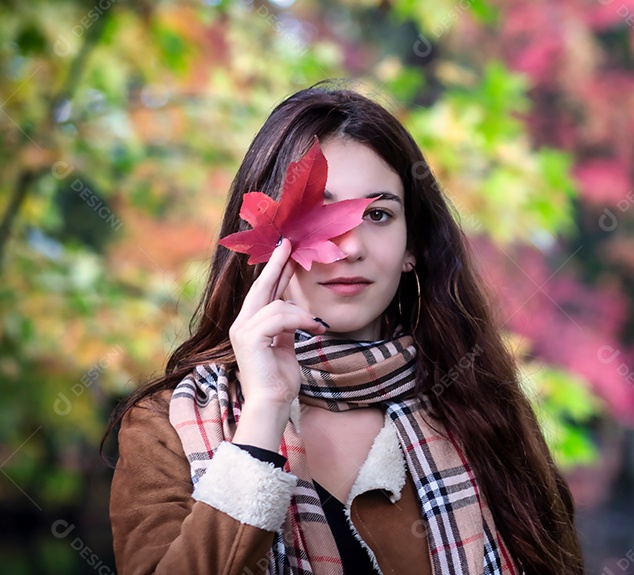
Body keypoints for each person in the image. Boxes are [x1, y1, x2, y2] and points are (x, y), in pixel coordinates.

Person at [104, 82, 585, 575]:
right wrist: (262, 420)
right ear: (265, 241)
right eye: (319, 215)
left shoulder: (481, 407)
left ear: (411, 249)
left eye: (378, 214)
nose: (350, 247)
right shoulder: (166, 425)